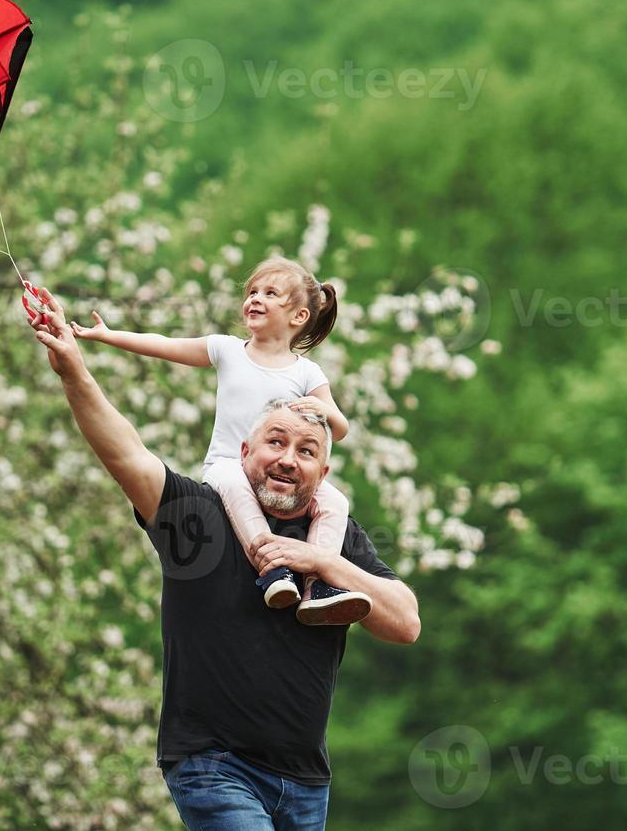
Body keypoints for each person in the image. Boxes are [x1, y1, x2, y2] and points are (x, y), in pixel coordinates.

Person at [28, 287, 420, 830]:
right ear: (244, 453)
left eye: (306, 451)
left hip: (307, 780)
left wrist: (323, 563)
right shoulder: (199, 516)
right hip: (214, 765)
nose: (288, 459)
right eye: (275, 442)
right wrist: (74, 369)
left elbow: (405, 622)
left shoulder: (336, 535)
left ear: (323, 474)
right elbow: (126, 453)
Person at [68, 257, 368, 624]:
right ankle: (273, 569)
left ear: (298, 317)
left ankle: (319, 584)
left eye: (270, 294)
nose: (255, 299)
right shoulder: (227, 349)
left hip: (278, 474)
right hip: (229, 464)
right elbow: (165, 344)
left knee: (335, 500)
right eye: (252, 292)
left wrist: (322, 411)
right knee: (236, 489)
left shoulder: (307, 372)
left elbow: (340, 427)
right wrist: (107, 335)